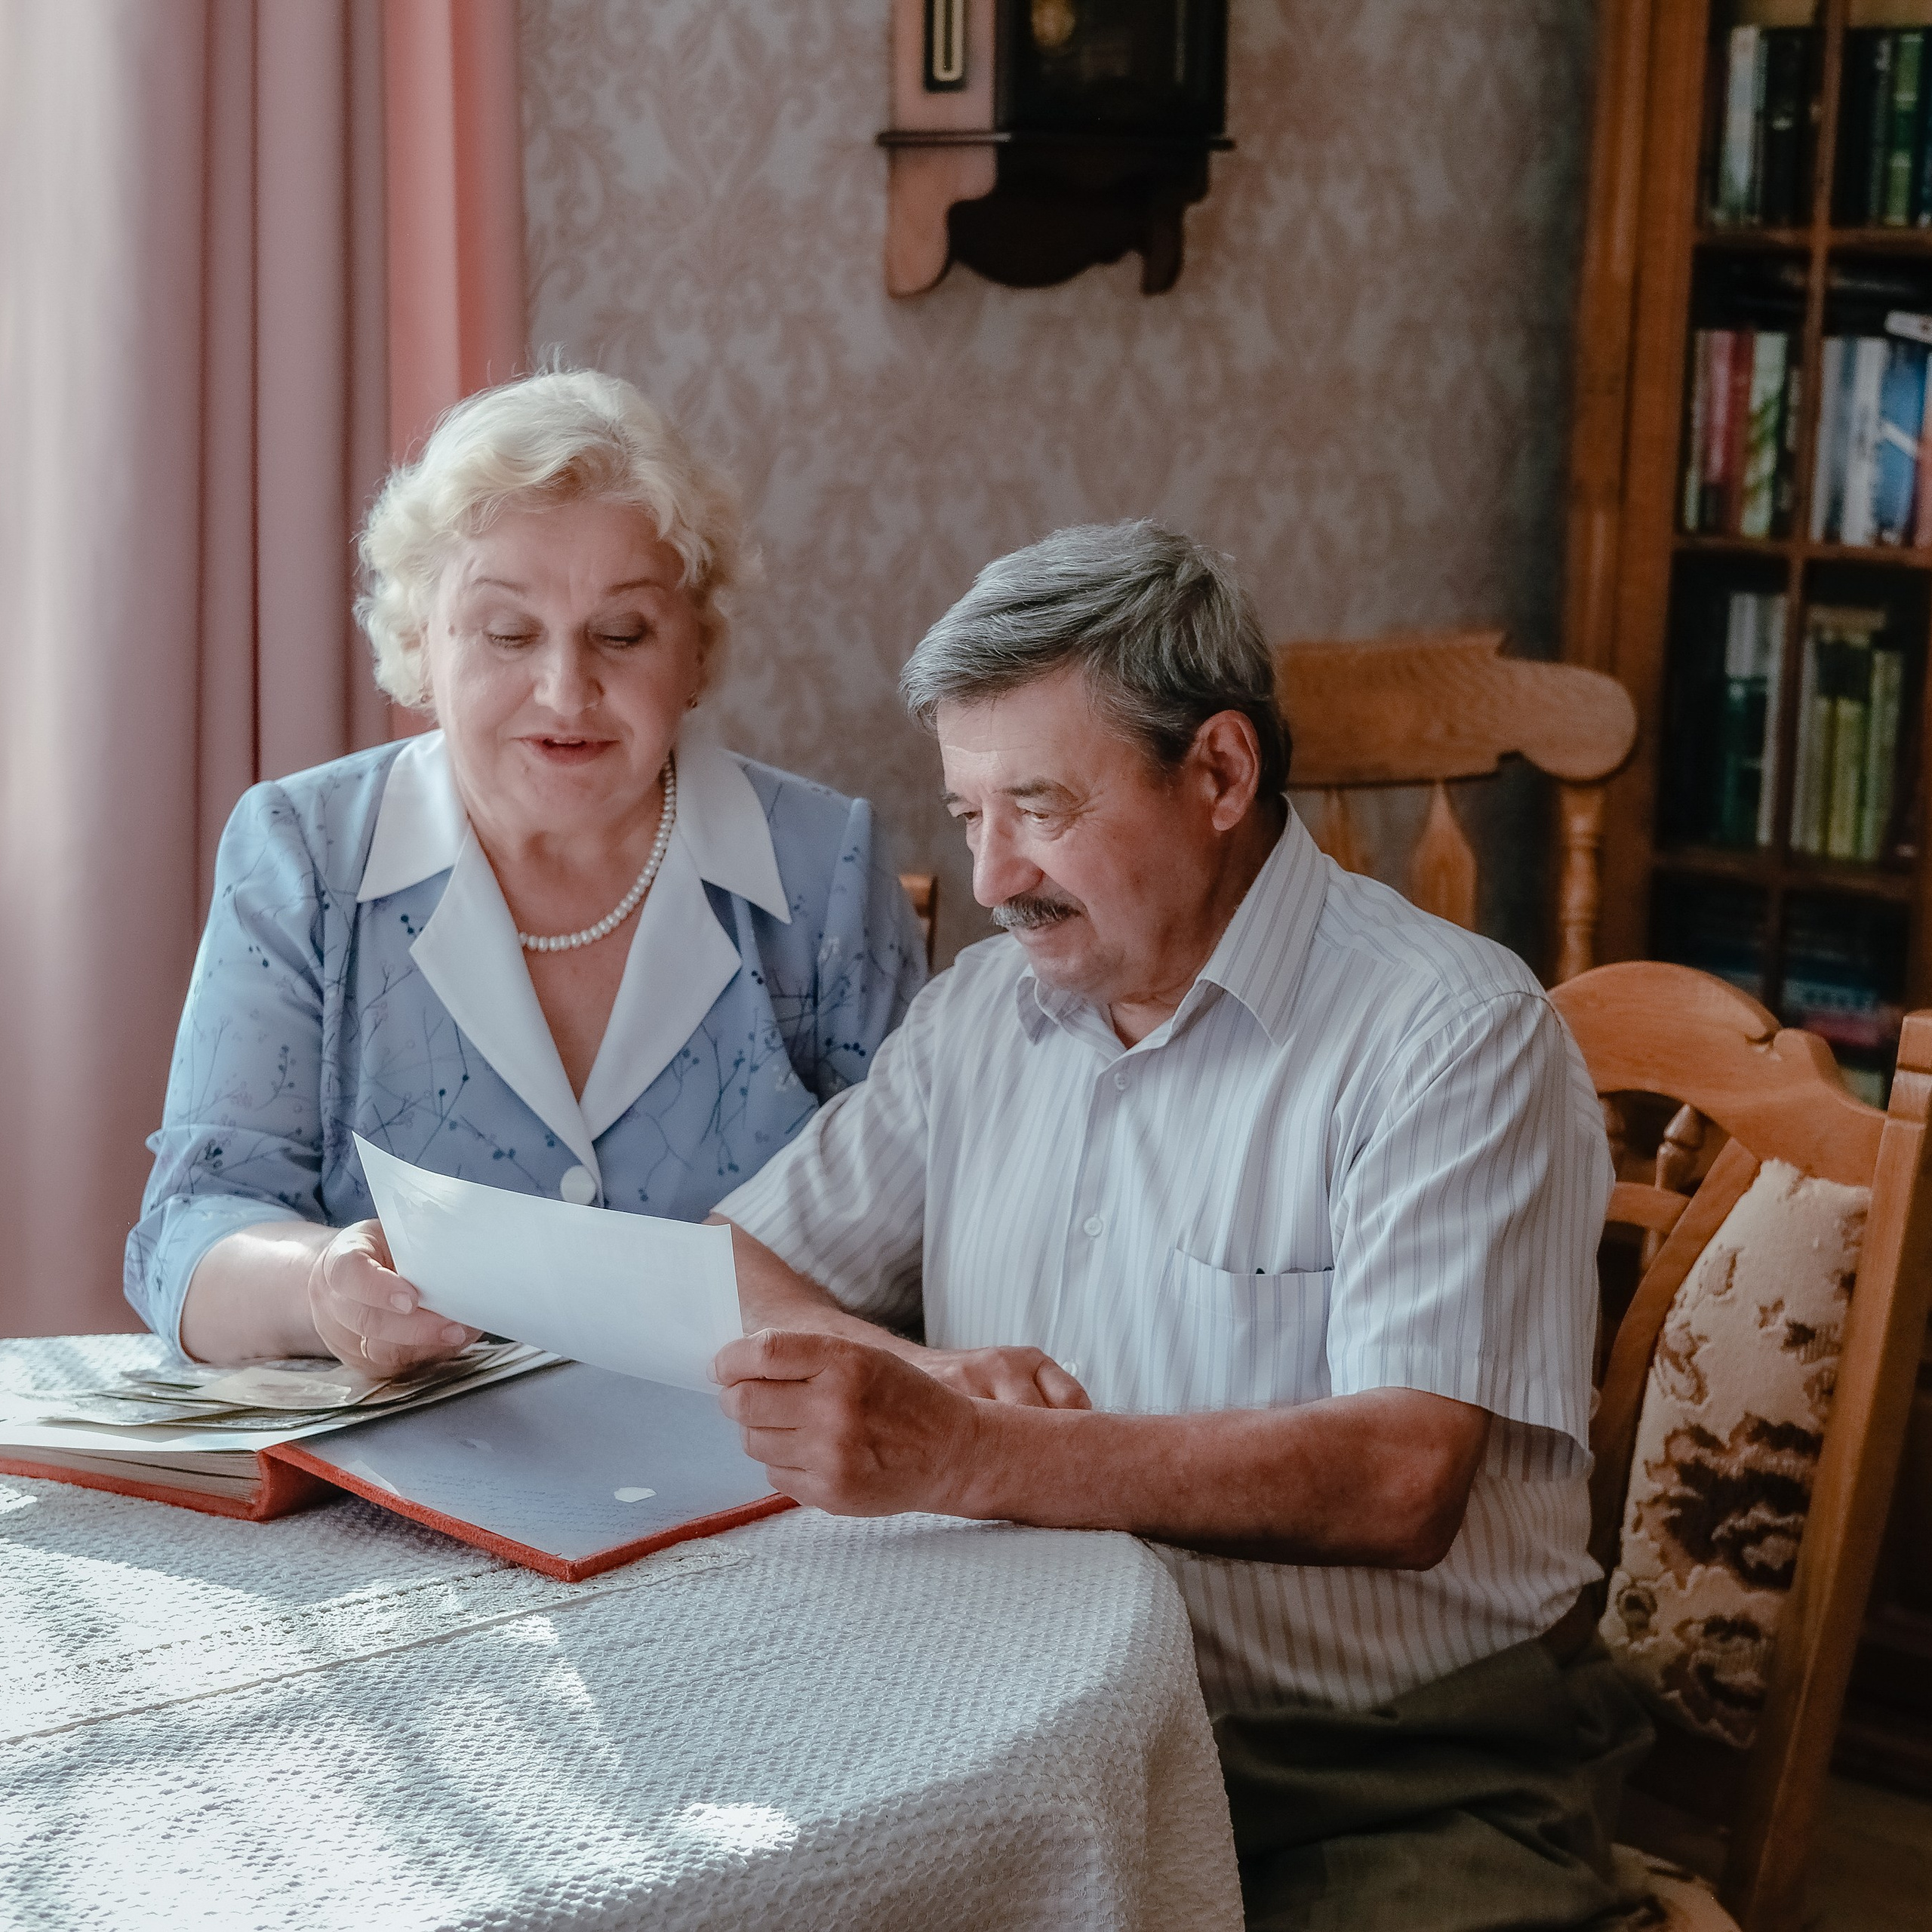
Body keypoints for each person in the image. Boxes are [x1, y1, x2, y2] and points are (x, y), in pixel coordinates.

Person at [708, 521, 1651, 1930]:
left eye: (1041, 804)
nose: (993, 877)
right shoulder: (982, 1013)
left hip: (1389, 1762)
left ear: (1219, 771)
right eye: (971, 814)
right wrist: (916, 1372)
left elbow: (1403, 1480)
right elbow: (744, 1264)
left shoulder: (1454, 1035)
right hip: (1028, 1731)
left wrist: (980, 1450)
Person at [128, 369, 927, 1375]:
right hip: (401, 1492)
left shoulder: (826, 868)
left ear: (697, 649)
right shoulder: (301, 850)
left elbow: (921, 1231)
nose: (566, 689)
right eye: (508, 633)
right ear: (423, 639)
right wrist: (319, 1284)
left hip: (752, 1482)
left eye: (623, 633)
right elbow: (194, 1225)